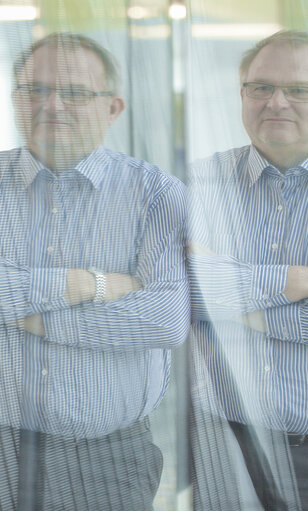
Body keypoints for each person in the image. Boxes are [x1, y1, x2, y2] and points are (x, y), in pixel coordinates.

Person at [0, 33, 189, 510]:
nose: (54, 105)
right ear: (15, 99)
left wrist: (41, 318)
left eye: (77, 93)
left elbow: (165, 317)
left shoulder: (154, 193)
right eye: (35, 90)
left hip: (108, 458)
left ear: (113, 107)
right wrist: (88, 285)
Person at [187, 30, 308, 510]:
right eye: (260, 87)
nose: (276, 102)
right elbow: (182, 296)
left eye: (300, 90)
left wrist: (237, 300)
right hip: (221, 445)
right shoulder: (198, 183)